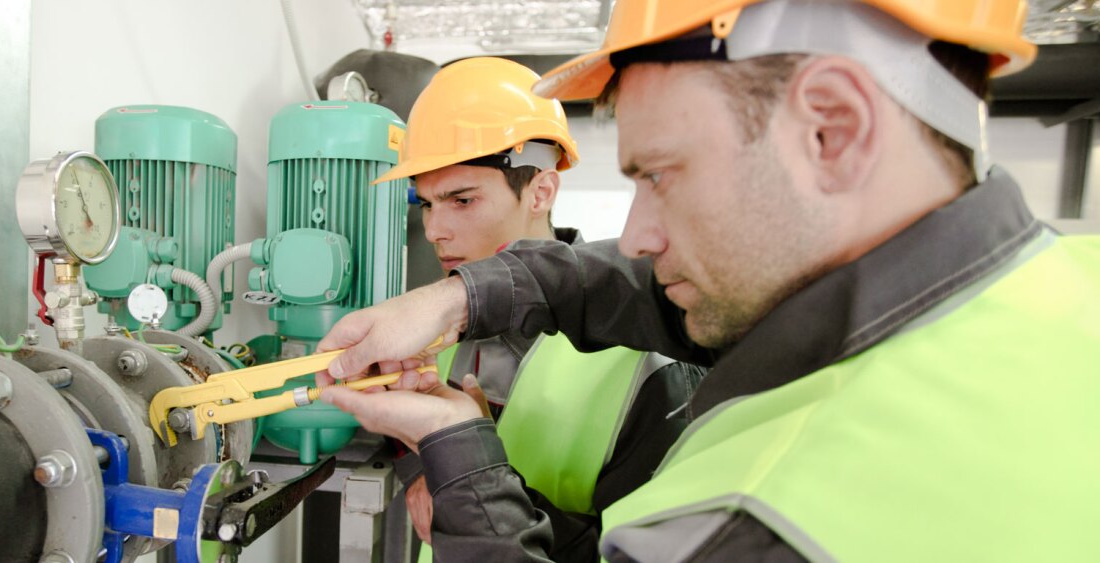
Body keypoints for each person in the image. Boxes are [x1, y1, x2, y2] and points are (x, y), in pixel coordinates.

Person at [316, 0, 1100, 560]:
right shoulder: (1068, 287)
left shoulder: (748, 521)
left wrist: (465, 473)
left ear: (835, 128)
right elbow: (627, 288)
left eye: (659, 174)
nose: (636, 234)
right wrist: (462, 298)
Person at [371, 57, 704, 561]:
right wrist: (421, 470)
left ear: (541, 191)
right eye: (427, 204)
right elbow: (406, 432)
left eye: (461, 201)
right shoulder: (430, 320)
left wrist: (475, 488)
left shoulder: (650, 363)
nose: (436, 230)